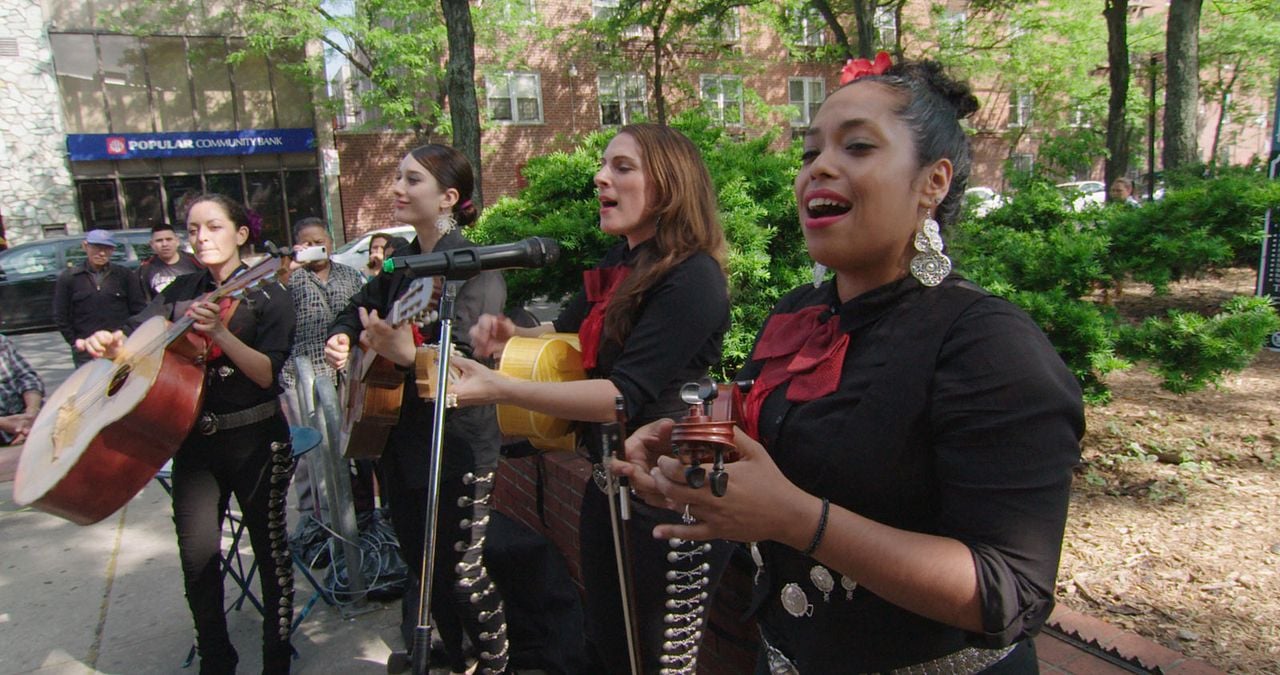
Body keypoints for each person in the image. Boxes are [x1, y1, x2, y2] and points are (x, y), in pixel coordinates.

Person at [615, 58, 1085, 673]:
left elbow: (1011, 591)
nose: (820, 168)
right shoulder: (799, 313)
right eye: (809, 153)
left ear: (932, 182)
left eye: (857, 146)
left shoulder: (989, 345)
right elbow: (781, 444)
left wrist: (797, 520)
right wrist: (691, 443)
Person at [450, 123, 734, 673]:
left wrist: (498, 388)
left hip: (670, 494)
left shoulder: (693, 276)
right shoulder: (620, 264)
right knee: (607, 647)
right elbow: (572, 338)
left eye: (622, 167)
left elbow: (620, 397)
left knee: (656, 660)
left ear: (670, 185)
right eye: (604, 166)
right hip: (607, 484)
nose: (600, 177)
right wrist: (513, 335)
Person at [78, 193, 297, 673]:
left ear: (241, 235)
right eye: (193, 228)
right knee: (197, 559)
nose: (200, 237)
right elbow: (137, 337)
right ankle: (216, 658)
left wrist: (219, 334)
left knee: (271, 554)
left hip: (259, 440)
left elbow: (266, 374)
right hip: (195, 443)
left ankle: (276, 657)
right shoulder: (181, 290)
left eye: (213, 227)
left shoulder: (271, 293)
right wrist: (112, 344)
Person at [324, 144, 510, 673]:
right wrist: (343, 339)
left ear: (449, 197)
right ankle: (456, 658)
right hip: (397, 441)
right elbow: (352, 309)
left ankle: (494, 665)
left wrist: (409, 353)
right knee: (423, 567)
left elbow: (473, 365)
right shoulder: (404, 264)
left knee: (462, 571)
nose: (398, 189)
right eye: (398, 178)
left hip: (457, 446)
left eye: (413, 180)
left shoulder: (478, 270)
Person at [279, 217, 370, 517]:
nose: (315, 247)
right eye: (306, 243)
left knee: (346, 442)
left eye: (320, 241)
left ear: (330, 243)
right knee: (310, 449)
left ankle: (350, 510)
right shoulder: (290, 279)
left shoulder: (350, 275)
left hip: (346, 371)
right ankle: (312, 514)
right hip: (301, 374)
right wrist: (287, 272)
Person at [53, 229, 147, 367]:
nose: (101, 253)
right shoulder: (69, 278)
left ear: (113, 250)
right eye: (96, 248)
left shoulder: (124, 275)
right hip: (87, 350)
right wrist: (75, 342)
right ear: (85, 246)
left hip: (120, 346)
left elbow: (139, 310)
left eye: (106, 248)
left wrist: (126, 335)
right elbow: (61, 315)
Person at [0, 333, 44, 446]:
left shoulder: (2, 342)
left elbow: (28, 377)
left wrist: (32, 411)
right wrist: (8, 425)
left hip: (28, 418)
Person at [138, 222, 201, 297]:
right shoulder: (145, 269)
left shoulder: (196, 262)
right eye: (159, 240)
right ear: (152, 244)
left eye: (169, 239)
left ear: (177, 241)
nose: (164, 244)